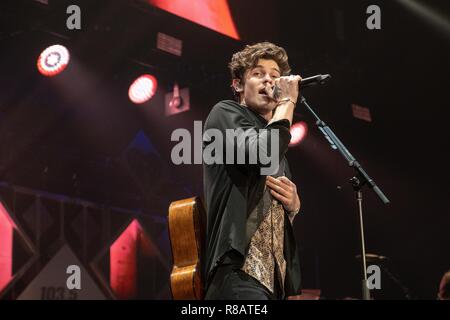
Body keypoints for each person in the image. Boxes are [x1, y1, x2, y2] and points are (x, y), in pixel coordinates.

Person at [202, 42, 302, 300]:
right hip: (238, 273)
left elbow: (271, 220)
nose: (269, 79)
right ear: (238, 85)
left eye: (275, 76)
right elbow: (261, 154)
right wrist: (288, 102)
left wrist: (292, 208)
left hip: (273, 283)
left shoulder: (277, 140)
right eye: (258, 73)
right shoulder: (224, 113)